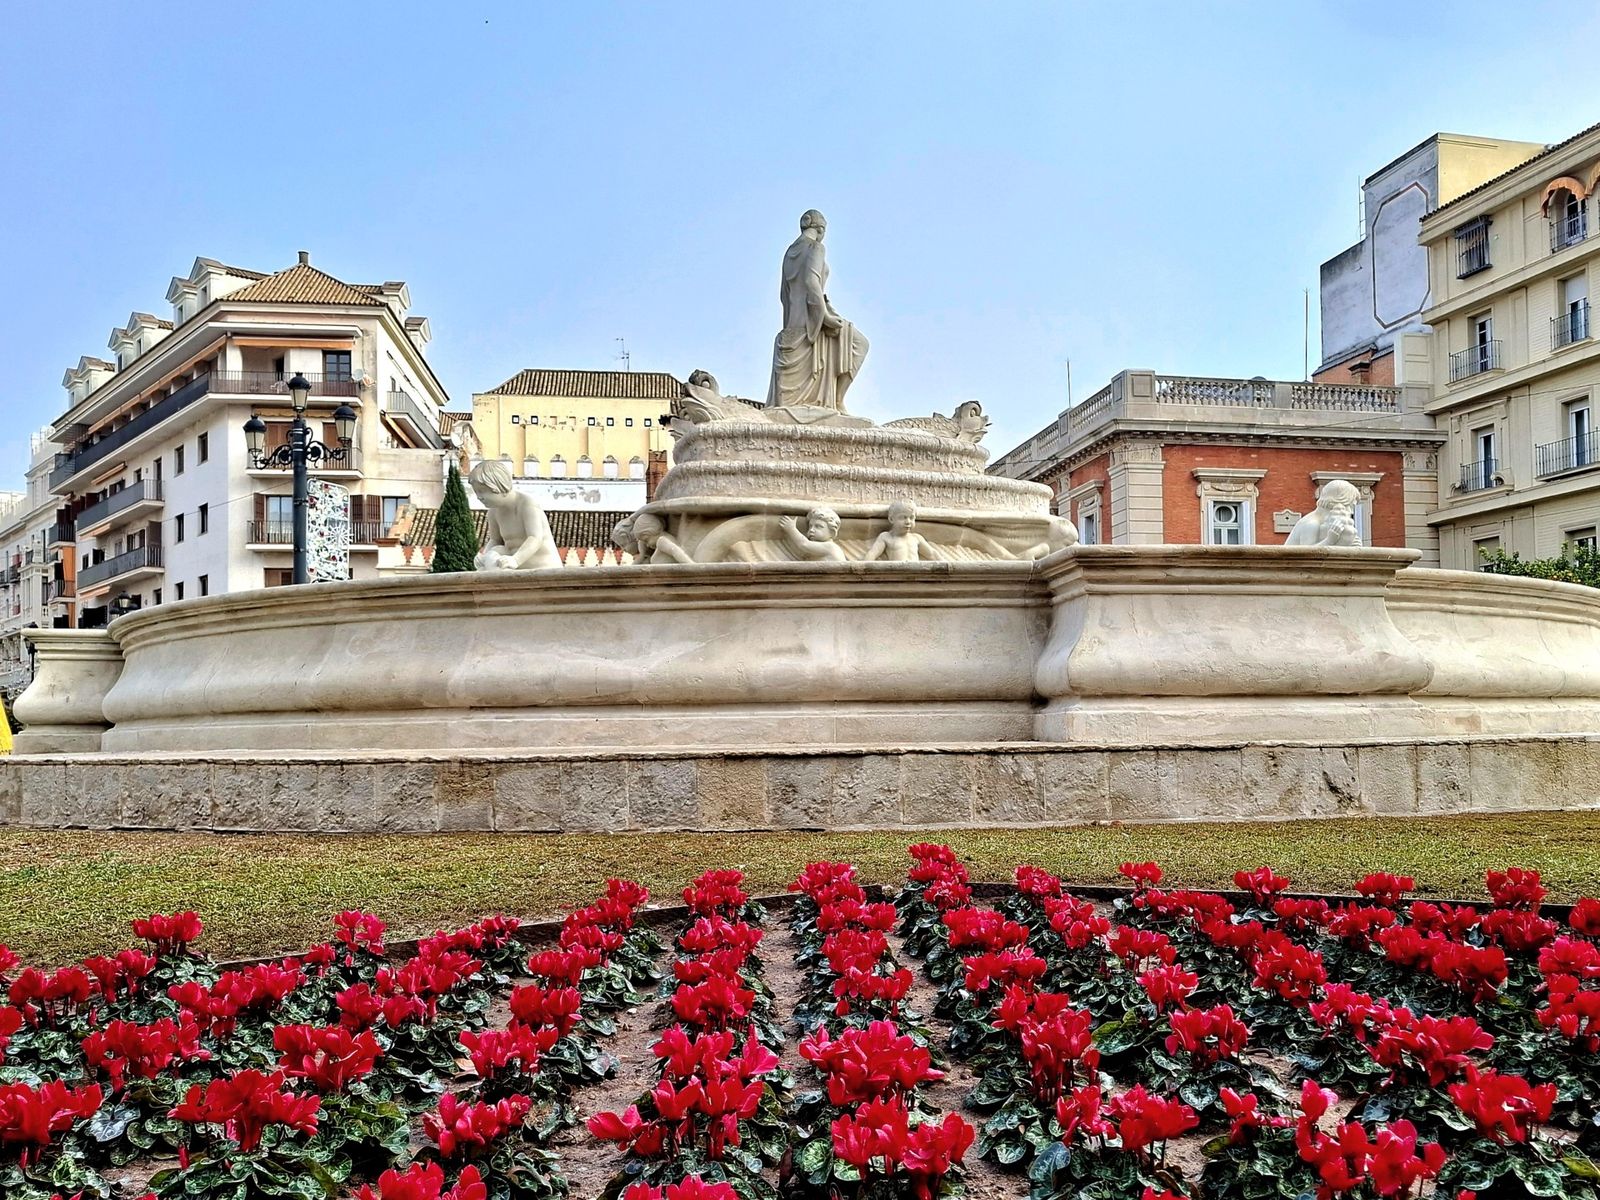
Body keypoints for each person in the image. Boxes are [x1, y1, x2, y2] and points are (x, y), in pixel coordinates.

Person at [766, 210, 870, 413]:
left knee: (855, 341)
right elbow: (811, 283)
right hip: (813, 321)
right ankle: (838, 401)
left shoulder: (789, 253)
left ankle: (836, 401)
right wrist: (826, 318)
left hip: (795, 321)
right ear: (821, 229)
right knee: (860, 344)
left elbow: (783, 294)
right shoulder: (816, 247)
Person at [466, 459, 562, 570]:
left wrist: (516, 560)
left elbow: (535, 538)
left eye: (482, 491)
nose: (479, 497)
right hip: (515, 569)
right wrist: (484, 556)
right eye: (476, 492)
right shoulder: (493, 512)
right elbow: (495, 540)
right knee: (493, 555)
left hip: (544, 568)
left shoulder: (527, 505)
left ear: (497, 485)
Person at [1286, 479, 1363, 547]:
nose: (1351, 511)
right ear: (1337, 501)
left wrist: (1349, 543)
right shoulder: (1311, 523)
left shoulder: (1324, 523)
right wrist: (1329, 540)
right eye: (1349, 506)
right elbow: (1306, 555)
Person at [865, 500, 940, 562]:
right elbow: (872, 553)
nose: (908, 522)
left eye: (911, 518)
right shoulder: (886, 537)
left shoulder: (916, 538)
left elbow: (932, 554)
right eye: (903, 518)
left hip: (916, 574)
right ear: (891, 519)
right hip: (898, 575)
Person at [779, 506, 847, 562]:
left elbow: (804, 544)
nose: (811, 530)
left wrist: (791, 529)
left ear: (832, 532)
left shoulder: (831, 547)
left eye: (818, 526)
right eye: (810, 526)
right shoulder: (815, 552)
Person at [631, 512, 695, 564]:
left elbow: (677, 552)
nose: (647, 545)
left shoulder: (661, 541)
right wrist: (642, 554)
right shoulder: (663, 541)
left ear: (651, 531)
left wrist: (693, 568)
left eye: (646, 540)